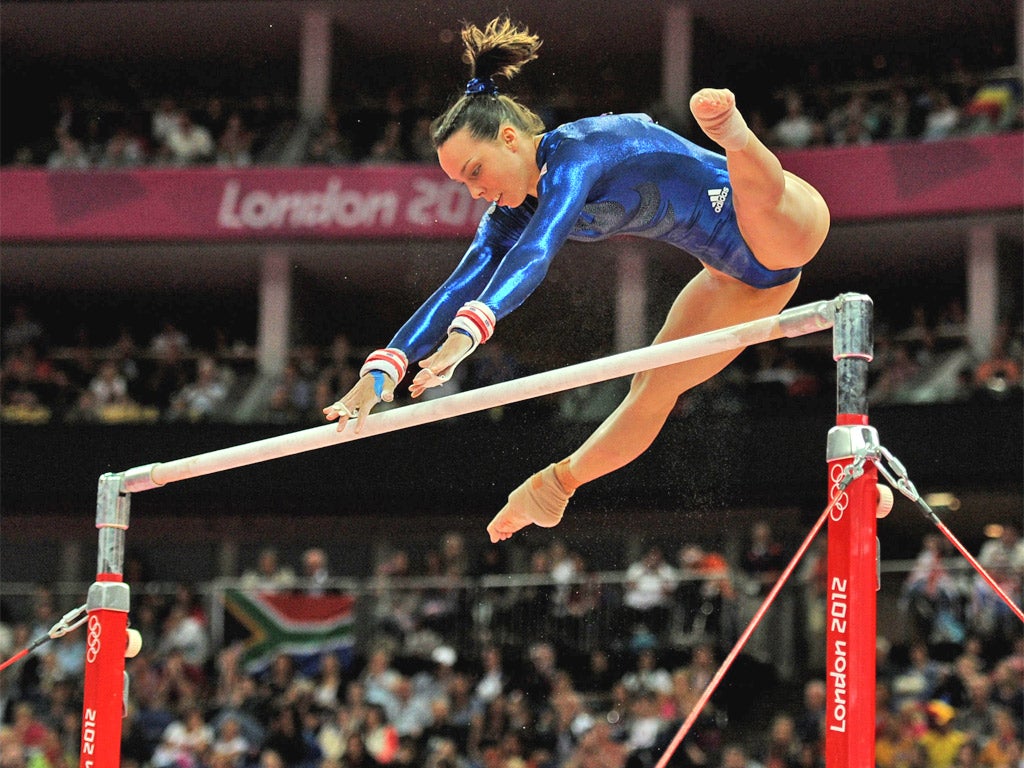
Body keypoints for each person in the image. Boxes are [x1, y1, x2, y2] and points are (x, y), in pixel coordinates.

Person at [324, 18, 830, 544]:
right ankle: (556, 485)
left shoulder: (576, 154)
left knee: (761, 209)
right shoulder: (510, 211)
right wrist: (380, 375)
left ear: (510, 138)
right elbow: (458, 285)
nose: (474, 191)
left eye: (475, 171)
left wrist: (466, 336)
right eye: (461, 183)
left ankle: (736, 136)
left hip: (785, 221)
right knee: (650, 387)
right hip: (740, 281)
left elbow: (539, 249)